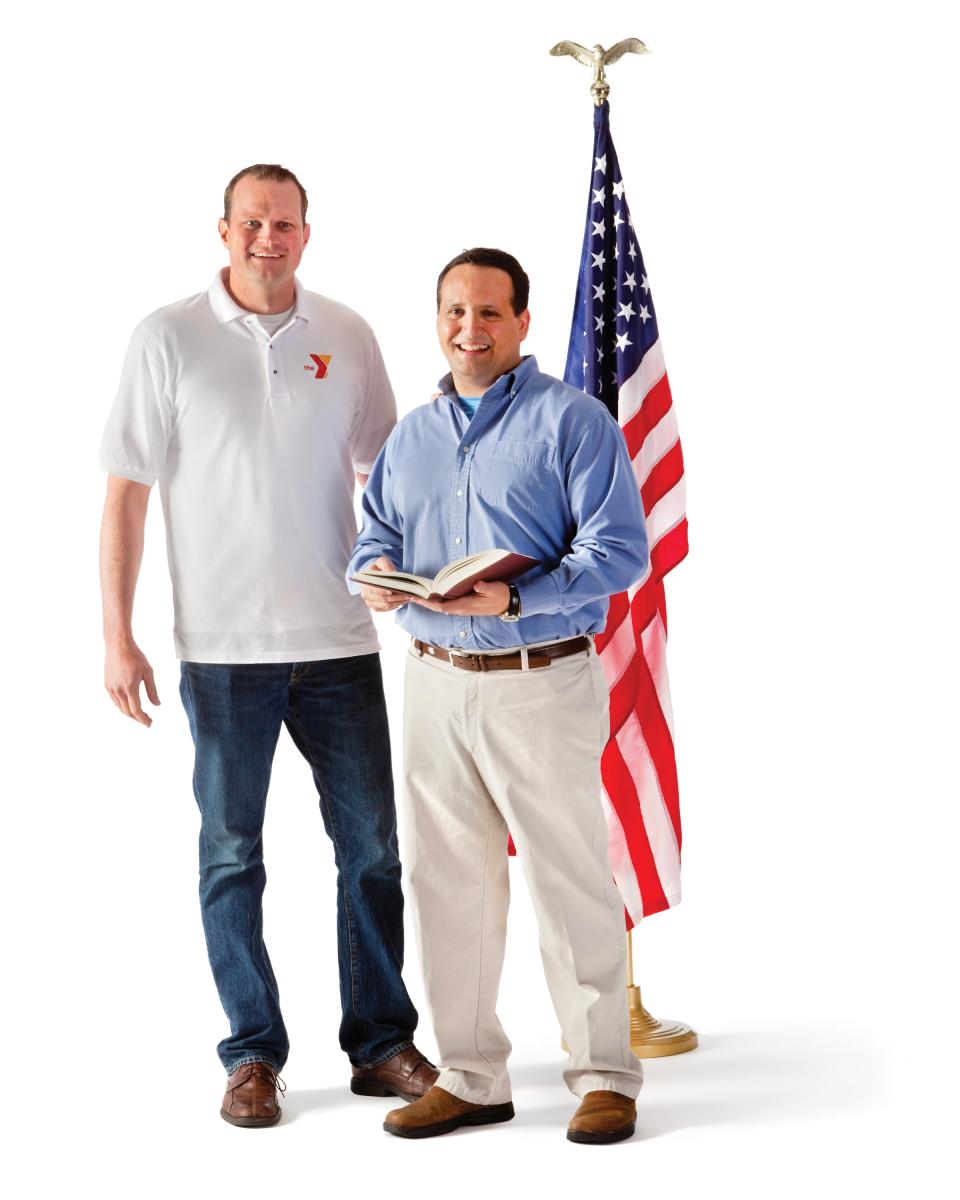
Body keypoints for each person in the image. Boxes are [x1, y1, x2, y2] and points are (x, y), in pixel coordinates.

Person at [99, 163, 436, 1128]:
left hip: (339, 641)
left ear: (306, 233)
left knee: (370, 848)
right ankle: (252, 1054)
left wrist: (404, 578)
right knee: (230, 854)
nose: (267, 238)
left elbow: (388, 472)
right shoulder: (167, 337)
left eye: (284, 223)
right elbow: (125, 491)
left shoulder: (347, 333)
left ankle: (380, 1043)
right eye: (252, 222)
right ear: (224, 229)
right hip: (222, 648)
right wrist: (117, 636)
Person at [349, 247, 647, 1144]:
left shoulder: (574, 422)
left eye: (488, 313)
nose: (468, 331)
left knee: (566, 877)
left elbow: (620, 551)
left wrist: (517, 594)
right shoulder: (414, 434)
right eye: (453, 313)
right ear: (437, 320)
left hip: (538, 680)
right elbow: (376, 534)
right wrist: (373, 574)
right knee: (447, 883)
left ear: (521, 322)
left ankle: (604, 1074)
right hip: (435, 684)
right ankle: (473, 1076)